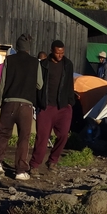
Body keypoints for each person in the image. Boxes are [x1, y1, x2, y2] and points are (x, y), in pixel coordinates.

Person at [0, 34, 43, 181]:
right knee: (24, 138)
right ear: (28, 48)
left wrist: (1, 101)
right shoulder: (35, 62)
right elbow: (40, 84)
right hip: (26, 105)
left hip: (9, 102)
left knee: (3, 133)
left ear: (17, 46)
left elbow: (3, 83)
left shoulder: (9, 60)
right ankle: (20, 171)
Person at [29, 39, 75, 174]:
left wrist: (70, 102)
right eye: (57, 53)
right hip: (46, 106)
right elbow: (37, 85)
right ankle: (35, 165)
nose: (60, 55)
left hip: (63, 107)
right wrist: (38, 102)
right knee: (42, 138)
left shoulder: (68, 64)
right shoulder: (43, 65)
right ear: (51, 51)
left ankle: (53, 161)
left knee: (63, 135)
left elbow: (69, 84)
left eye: (62, 53)